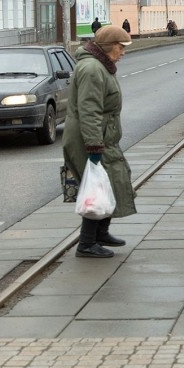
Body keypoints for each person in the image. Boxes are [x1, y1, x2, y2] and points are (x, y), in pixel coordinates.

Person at [62, 25, 137, 258]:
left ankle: (101, 234)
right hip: (90, 139)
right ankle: (86, 244)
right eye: (120, 47)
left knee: (111, 182)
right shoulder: (93, 69)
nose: (123, 52)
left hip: (102, 136)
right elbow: (90, 110)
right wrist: (94, 146)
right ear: (107, 47)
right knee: (96, 188)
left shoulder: (100, 66)